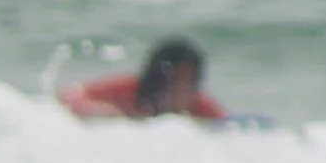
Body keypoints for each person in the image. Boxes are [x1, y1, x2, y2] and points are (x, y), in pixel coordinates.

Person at [60, 37, 228, 122]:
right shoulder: (131, 89)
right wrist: (103, 112)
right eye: (176, 80)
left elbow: (227, 126)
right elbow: (70, 94)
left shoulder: (198, 104)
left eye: (189, 81)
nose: (182, 89)